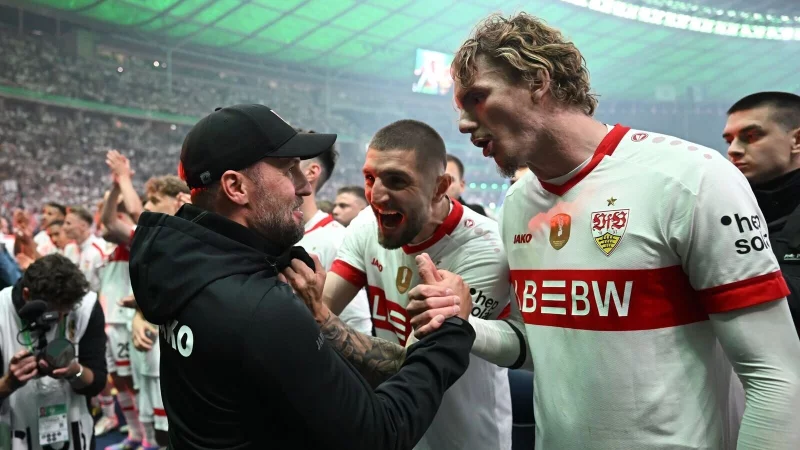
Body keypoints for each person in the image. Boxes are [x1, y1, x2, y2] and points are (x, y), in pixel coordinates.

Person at [409, 12, 800, 450]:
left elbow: (776, 376)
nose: (463, 123)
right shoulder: (519, 204)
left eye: (477, 98)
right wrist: (467, 323)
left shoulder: (692, 179)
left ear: (538, 81)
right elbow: (542, 345)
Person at [129, 104, 476, 450]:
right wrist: (447, 337)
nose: (305, 187)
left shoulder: (180, 268)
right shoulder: (262, 307)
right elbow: (379, 434)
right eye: (288, 170)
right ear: (236, 187)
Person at [318, 119, 513, 450]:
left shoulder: (486, 249)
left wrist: (320, 320)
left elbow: (412, 365)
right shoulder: (367, 223)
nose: (376, 195)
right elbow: (321, 309)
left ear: (439, 187)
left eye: (396, 181)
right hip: (395, 424)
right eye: (370, 178)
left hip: (465, 437)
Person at [0, 254, 107, 450]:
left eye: (65, 313)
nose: (57, 321)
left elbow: (97, 381)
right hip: (14, 432)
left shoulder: (85, 307)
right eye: (51, 313)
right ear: (26, 295)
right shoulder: (1, 311)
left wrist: (74, 371)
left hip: (74, 431)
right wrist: (9, 383)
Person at [724, 91, 800, 336]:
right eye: (729, 140)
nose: (733, 150)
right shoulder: (725, 211)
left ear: (797, 141)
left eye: (751, 136)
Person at [294, 130, 371, 333]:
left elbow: (358, 325)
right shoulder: (274, 231)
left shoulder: (336, 240)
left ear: (311, 172)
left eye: (290, 163)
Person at [98, 150, 149, 450]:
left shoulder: (135, 238)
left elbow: (110, 223)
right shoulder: (112, 249)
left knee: (133, 380)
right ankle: (135, 433)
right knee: (120, 378)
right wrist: (117, 185)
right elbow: (106, 221)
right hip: (113, 320)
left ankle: (147, 437)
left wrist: (122, 181)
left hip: (128, 319)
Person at [62, 206, 106, 293]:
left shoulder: (100, 249)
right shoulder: (69, 248)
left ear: (83, 226)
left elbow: (104, 285)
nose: (64, 227)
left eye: (68, 223)